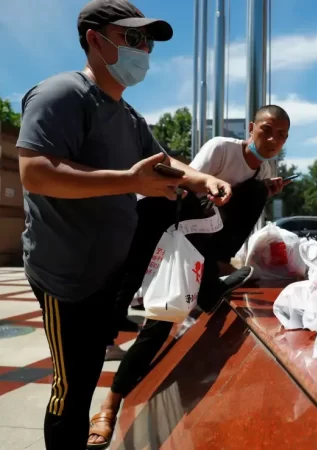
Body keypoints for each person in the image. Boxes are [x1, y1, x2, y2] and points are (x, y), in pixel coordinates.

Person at [16, 1, 232, 449]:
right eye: (132, 38)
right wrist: (129, 181)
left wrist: (201, 177)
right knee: (70, 388)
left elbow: (164, 162)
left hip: (105, 274)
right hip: (66, 275)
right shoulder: (61, 94)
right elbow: (35, 171)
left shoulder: (128, 115)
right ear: (95, 40)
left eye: (147, 41)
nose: (144, 49)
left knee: (91, 368)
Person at [87, 104, 291, 448]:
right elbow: (182, 187)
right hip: (180, 239)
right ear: (252, 128)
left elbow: (243, 208)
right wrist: (211, 187)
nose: (272, 140)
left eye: (281, 135)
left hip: (211, 247)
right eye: (267, 130)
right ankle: (109, 405)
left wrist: (264, 189)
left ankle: (214, 282)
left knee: (256, 194)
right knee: (159, 322)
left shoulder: (266, 167)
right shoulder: (222, 149)